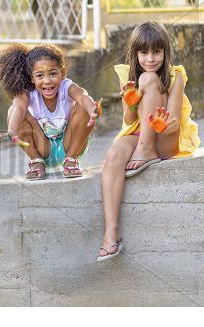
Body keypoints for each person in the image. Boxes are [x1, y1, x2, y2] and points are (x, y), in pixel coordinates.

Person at [97, 22, 200, 261]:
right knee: (112, 156)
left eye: (156, 52)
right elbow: (129, 119)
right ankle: (110, 234)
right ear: (136, 54)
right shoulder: (129, 77)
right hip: (140, 133)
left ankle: (146, 150)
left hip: (165, 136)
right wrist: (131, 103)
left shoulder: (176, 77)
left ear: (166, 52)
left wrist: (162, 126)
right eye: (144, 52)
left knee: (149, 79)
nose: (150, 58)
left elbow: (174, 121)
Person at [0, 44, 99, 180]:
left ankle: (71, 159)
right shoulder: (27, 94)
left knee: (84, 107)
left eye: (53, 74)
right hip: (42, 147)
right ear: (32, 78)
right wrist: (12, 130)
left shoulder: (67, 87)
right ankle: (36, 161)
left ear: (62, 73)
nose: (47, 81)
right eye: (39, 75)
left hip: (70, 145)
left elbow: (82, 96)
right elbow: (19, 108)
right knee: (13, 111)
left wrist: (93, 110)